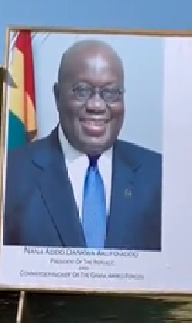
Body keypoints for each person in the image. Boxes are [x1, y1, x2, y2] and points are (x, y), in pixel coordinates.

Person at [3, 40, 162, 251]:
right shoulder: (9, 173)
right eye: (82, 91)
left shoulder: (159, 175)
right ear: (57, 96)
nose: (96, 105)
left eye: (111, 92)